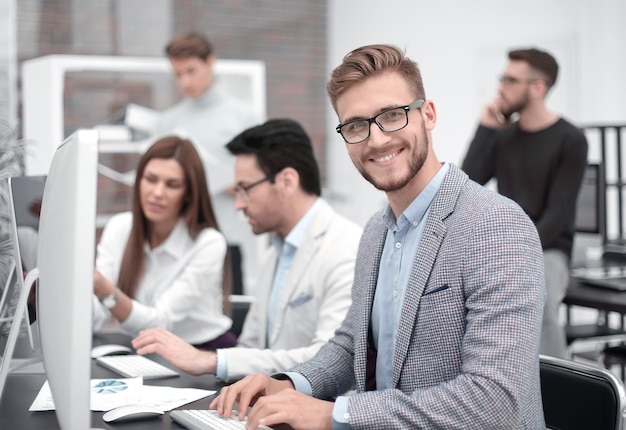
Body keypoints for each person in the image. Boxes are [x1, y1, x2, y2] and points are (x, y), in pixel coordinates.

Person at [210, 44, 546, 429]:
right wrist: (288, 384)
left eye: (392, 115)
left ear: (428, 114)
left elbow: (494, 399)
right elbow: (351, 344)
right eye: (356, 125)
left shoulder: (495, 226)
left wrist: (336, 415)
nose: (377, 139)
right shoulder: (375, 231)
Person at [132, 118, 363, 382]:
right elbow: (251, 346)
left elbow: (329, 360)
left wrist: (207, 360)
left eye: (245, 189)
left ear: (287, 181)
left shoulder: (346, 249)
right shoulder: (273, 254)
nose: (238, 205)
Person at [462, 47, 588, 359]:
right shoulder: (503, 137)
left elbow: (558, 212)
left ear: (538, 87)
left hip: (549, 250)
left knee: (536, 292)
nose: (500, 87)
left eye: (510, 80)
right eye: (502, 78)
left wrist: (517, 251)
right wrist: (486, 129)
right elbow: (466, 185)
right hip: (505, 246)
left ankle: (559, 394)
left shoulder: (570, 139)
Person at [92, 136, 237, 350]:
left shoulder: (208, 243)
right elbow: (96, 317)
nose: (157, 193)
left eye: (172, 184)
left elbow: (160, 323)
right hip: (143, 349)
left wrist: (103, 289)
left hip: (204, 352)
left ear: (188, 193)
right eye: (150, 179)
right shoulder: (119, 227)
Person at [152, 31, 262, 294]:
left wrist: (227, 182)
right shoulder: (166, 123)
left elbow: (260, 180)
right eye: (178, 74)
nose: (185, 81)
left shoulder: (243, 117)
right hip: (180, 241)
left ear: (210, 61)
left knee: (227, 320)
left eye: (191, 71)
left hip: (228, 238)